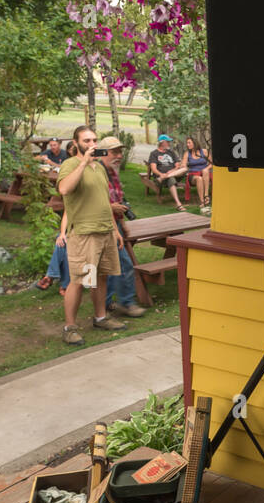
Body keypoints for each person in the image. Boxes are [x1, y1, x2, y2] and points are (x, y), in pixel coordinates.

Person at [56, 129, 132, 345]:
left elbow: (103, 199)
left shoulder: (99, 167)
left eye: (94, 140)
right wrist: (83, 163)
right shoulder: (70, 164)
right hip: (84, 233)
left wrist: (115, 230)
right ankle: (69, 327)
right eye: (86, 140)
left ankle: (100, 317)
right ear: (76, 143)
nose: (92, 143)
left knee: (101, 277)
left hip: (105, 230)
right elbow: (64, 189)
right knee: (80, 281)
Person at [146, 134, 188, 209]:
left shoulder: (171, 152)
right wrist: (161, 174)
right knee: (170, 179)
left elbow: (177, 165)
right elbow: (154, 169)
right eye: (168, 142)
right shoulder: (154, 154)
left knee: (185, 169)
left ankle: (167, 176)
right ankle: (178, 204)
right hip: (160, 176)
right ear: (162, 143)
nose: (169, 143)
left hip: (173, 174)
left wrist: (171, 171)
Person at [181, 137, 212, 210]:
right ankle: (202, 201)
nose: (187, 144)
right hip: (193, 175)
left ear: (194, 143)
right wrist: (183, 165)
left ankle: (206, 195)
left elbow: (211, 163)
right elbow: (184, 165)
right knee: (199, 178)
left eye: (189, 143)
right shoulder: (187, 154)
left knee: (205, 171)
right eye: (187, 143)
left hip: (205, 174)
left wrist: (206, 168)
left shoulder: (204, 151)